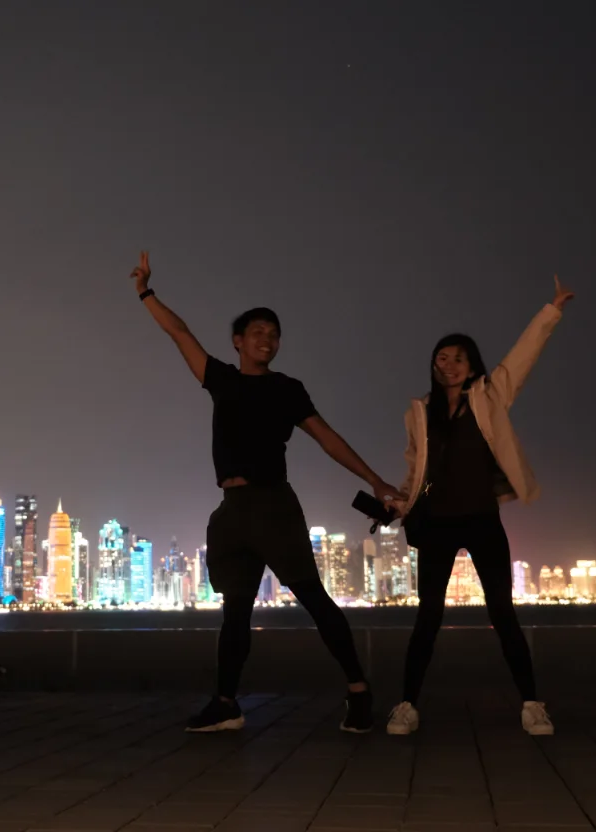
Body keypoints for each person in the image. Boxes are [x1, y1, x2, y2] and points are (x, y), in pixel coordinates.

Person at [129, 251, 403, 734]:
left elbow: (327, 438)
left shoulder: (287, 389)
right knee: (235, 611)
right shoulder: (221, 379)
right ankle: (226, 703)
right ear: (238, 341)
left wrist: (374, 479)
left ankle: (359, 691)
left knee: (315, 599)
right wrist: (147, 294)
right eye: (257, 332)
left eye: (274, 334)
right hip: (232, 511)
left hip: (273, 505)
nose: (267, 340)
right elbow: (180, 333)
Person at [386, 276, 575, 737]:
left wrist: (552, 310)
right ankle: (406, 705)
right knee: (427, 616)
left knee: (502, 612)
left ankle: (532, 704)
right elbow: (416, 469)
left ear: (473, 367)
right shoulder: (420, 411)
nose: (448, 365)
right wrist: (400, 500)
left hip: (481, 518)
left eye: (458, 359)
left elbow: (523, 356)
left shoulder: (490, 397)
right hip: (436, 524)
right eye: (442, 358)